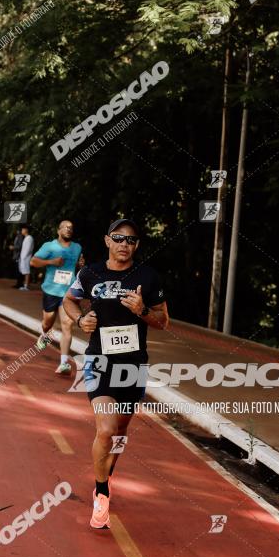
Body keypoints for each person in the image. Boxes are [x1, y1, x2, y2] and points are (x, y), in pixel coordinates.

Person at [63, 219, 169, 529]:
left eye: (132, 240)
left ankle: (105, 475)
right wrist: (81, 318)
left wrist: (143, 312)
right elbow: (69, 300)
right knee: (107, 429)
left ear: (137, 246)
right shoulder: (90, 273)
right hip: (97, 360)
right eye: (119, 238)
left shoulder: (148, 278)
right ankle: (102, 492)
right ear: (108, 240)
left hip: (133, 366)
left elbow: (164, 321)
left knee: (120, 434)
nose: (125, 244)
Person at [30, 220, 84, 375]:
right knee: (48, 322)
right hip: (51, 290)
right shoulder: (49, 246)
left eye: (71, 228)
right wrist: (51, 261)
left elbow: (78, 265)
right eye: (65, 227)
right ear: (58, 230)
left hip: (68, 292)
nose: (68, 230)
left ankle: (64, 363)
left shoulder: (77, 247)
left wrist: (81, 265)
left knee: (67, 325)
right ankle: (44, 334)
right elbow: (33, 262)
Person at [18, 225, 34, 290]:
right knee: (25, 271)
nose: (22, 231)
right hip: (24, 257)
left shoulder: (29, 238)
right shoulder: (26, 238)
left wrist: (24, 257)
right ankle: (25, 285)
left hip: (26, 258)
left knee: (27, 271)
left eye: (22, 229)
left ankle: (26, 286)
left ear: (26, 230)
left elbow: (28, 249)